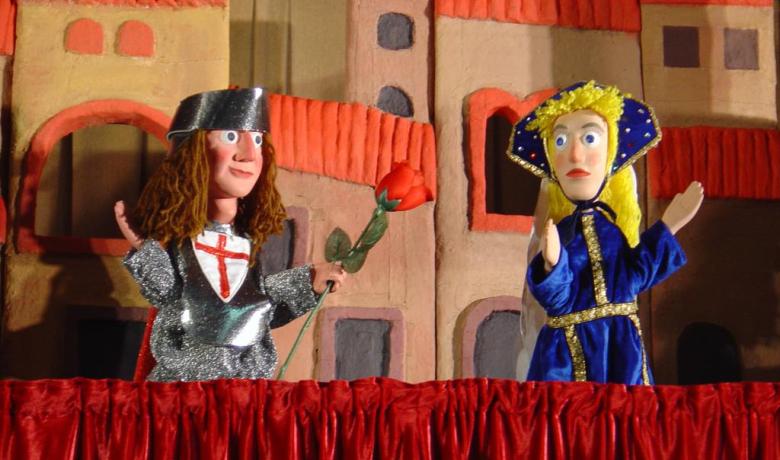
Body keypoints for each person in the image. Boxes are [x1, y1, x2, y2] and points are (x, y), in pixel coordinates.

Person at [115, 87, 346, 381]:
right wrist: (146, 251)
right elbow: (173, 296)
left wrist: (307, 281)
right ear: (193, 153)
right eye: (230, 137)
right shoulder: (182, 243)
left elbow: (257, 303)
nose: (249, 155)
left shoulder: (247, 244)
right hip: (182, 387)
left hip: (245, 388)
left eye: (258, 140)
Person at [508, 81, 703, 384]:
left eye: (589, 138)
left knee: (624, 410)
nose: (575, 154)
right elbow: (557, 299)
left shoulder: (612, 231)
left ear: (611, 154)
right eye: (561, 141)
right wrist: (552, 265)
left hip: (619, 346)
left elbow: (635, 273)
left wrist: (669, 225)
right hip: (566, 353)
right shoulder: (561, 233)